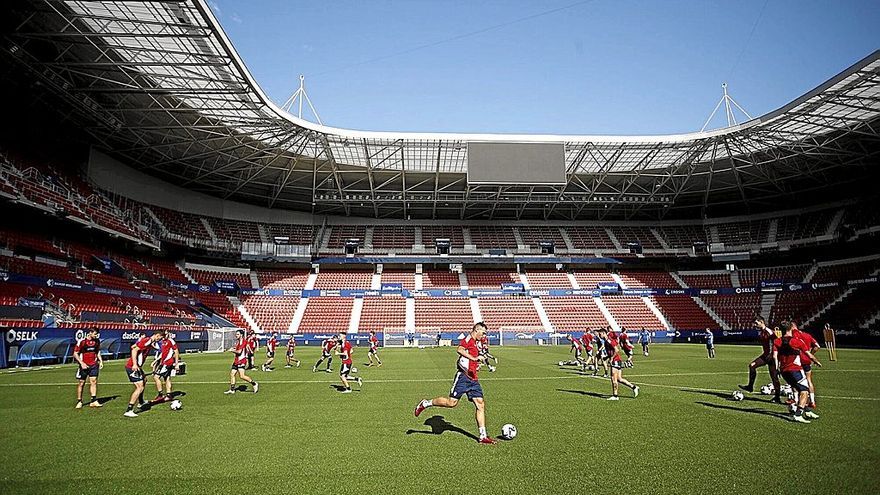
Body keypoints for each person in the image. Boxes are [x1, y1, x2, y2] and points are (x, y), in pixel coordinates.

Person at [413, 322, 497, 445]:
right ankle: (426, 403)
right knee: (451, 403)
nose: (484, 336)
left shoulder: (476, 342)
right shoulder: (468, 338)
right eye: (483, 333)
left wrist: (477, 363)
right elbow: (460, 349)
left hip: (473, 378)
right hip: (463, 377)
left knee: (480, 404)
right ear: (476, 330)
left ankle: (482, 436)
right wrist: (473, 359)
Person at [773, 321, 822, 423]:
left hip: (784, 371)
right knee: (805, 391)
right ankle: (798, 414)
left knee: (800, 390)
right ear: (791, 329)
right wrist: (816, 361)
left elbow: (774, 356)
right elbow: (809, 355)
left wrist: (777, 368)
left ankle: (807, 411)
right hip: (795, 370)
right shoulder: (797, 342)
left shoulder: (777, 341)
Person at [739, 317, 781, 402]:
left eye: (756, 323)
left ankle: (777, 397)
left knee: (774, 378)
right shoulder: (761, 332)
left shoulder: (769, 332)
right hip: (765, 356)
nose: (755, 325)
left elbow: (777, 344)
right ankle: (750, 386)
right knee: (752, 366)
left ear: (761, 322)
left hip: (772, 357)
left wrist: (776, 358)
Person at [124, 331, 164, 418]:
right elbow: (134, 350)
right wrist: (135, 364)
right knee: (140, 387)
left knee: (144, 380)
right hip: (132, 367)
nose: (159, 340)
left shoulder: (148, 341)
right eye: (159, 338)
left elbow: (134, 346)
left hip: (137, 367)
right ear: (157, 336)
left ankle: (141, 402)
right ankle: (129, 410)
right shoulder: (148, 340)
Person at [599, 327, 639, 400]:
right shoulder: (606, 341)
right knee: (619, 379)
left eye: (600, 334)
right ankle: (634, 387)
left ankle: (615, 396)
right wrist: (607, 357)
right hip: (617, 360)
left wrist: (611, 358)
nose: (599, 335)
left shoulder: (609, 340)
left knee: (613, 378)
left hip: (615, 361)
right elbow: (611, 352)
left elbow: (616, 350)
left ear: (604, 333)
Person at [792, 323, 821, 409]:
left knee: (794, 381)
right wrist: (810, 354)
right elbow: (817, 346)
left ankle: (796, 399)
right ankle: (812, 401)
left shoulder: (793, 334)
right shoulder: (807, 335)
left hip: (797, 361)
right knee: (809, 380)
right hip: (807, 360)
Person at [73, 327, 103, 409]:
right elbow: (75, 353)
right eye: (95, 334)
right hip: (84, 365)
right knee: (81, 383)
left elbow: (97, 351)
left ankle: (93, 401)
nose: (96, 336)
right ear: (90, 333)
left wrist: (100, 361)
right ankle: (79, 401)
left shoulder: (97, 341)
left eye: (97, 334)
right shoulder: (82, 342)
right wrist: (82, 363)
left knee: (93, 381)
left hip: (94, 365)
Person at [225, 329, 259, 395]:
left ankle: (254, 384)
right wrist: (234, 349)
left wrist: (232, 350)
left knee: (242, 376)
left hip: (241, 361)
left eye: (237, 334)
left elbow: (239, 352)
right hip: (236, 360)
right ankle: (232, 390)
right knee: (232, 374)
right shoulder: (238, 342)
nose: (236, 335)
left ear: (241, 335)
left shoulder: (243, 342)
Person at [152, 331, 179, 402]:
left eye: (167, 333)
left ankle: (160, 395)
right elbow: (162, 353)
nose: (166, 335)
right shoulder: (162, 342)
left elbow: (176, 351)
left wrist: (176, 363)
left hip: (167, 363)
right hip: (163, 362)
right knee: (167, 378)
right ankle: (169, 395)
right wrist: (155, 361)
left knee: (156, 377)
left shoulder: (170, 341)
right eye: (165, 334)